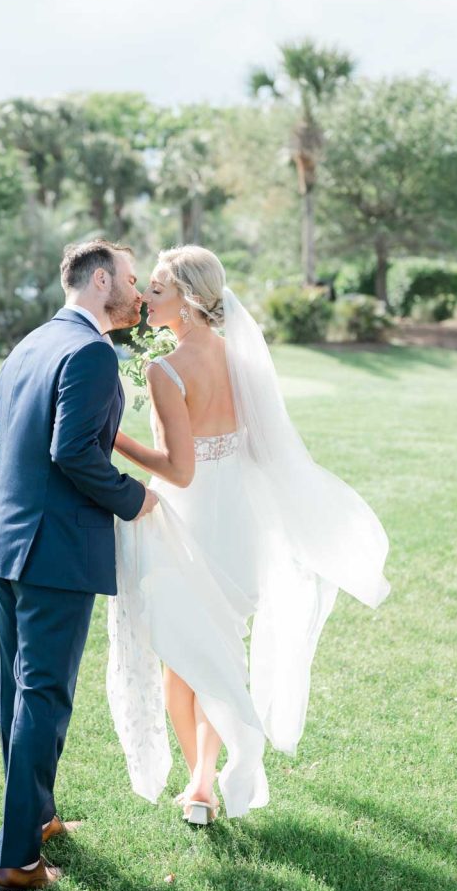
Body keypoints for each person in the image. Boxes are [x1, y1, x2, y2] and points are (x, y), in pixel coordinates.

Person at [107, 245, 390, 825]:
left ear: (185, 298)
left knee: (181, 658)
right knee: (218, 652)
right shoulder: (242, 358)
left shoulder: (165, 370)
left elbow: (179, 469)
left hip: (190, 517)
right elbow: (261, 448)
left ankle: (203, 784)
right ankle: (203, 784)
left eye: (157, 288)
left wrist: (113, 440)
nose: (146, 298)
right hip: (238, 520)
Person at [0, 239, 158, 891]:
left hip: (8, 541)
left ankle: (40, 815)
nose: (139, 293)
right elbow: (74, 452)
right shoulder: (88, 352)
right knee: (42, 698)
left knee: (18, 694)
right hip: (53, 554)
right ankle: (16, 862)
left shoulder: (28, 344)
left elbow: (5, 448)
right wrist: (135, 498)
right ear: (101, 279)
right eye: (133, 279)